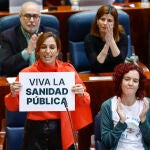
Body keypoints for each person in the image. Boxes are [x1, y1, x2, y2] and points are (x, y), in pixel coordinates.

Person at [4, 32, 93, 150]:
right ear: (38, 50)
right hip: (34, 131)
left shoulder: (68, 71)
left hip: (60, 128)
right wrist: (13, 94)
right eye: (43, 47)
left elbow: (86, 100)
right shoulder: (27, 74)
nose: (47, 51)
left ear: (58, 51)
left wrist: (81, 93)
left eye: (52, 47)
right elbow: (11, 106)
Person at [0, 1, 58, 77]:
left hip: (46, 79)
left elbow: (58, 62)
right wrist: (27, 51)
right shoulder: (8, 36)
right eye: (27, 16)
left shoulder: (51, 34)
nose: (31, 20)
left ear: (39, 19)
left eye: (35, 16)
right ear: (20, 17)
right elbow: (6, 67)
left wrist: (44, 51)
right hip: (19, 81)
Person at [100, 62, 150, 150]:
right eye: (127, 79)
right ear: (120, 82)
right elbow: (107, 142)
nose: (131, 83)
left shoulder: (147, 104)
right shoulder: (108, 106)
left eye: (135, 81)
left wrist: (143, 120)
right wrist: (121, 122)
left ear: (139, 85)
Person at [84, 5, 128, 73]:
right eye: (102, 19)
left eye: (109, 20)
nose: (105, 23)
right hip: (97, 76)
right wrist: (107, 45)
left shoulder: (122, 37)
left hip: (117, 76)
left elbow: (120, 63)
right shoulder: (89, 38)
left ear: (114, 23)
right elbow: (95, 66)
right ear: (97, 21)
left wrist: (111, 40)